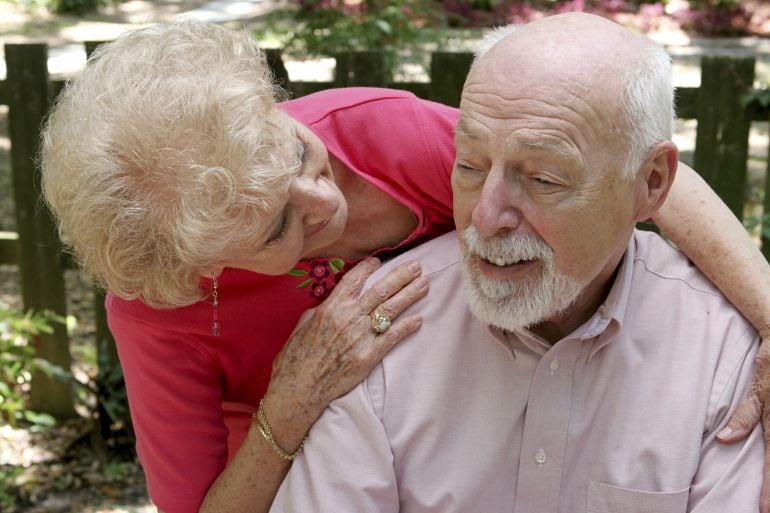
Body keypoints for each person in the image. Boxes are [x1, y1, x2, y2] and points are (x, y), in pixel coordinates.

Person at [39, 20, 769, 513]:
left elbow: (608, 170)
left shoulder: (377, 136)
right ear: (198, 262)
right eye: (277, 226)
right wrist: (291, 401)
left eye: (298, 152)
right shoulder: (159, 312)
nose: (325, 201)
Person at [269, 13, 763, 513]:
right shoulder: (375, 332)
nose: (485, 217)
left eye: (544, 179)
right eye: (468, 165)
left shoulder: (724, 356)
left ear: (651, 183)